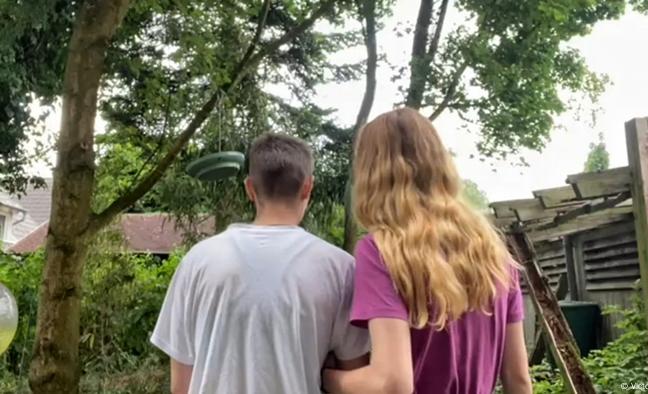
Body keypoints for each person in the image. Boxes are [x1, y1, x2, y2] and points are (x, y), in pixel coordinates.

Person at [322, 108, 532, 394]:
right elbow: (518, 379)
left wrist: (327, 378)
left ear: (371, 174)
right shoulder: (493, 254)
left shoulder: (382, 252)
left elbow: (392, 383)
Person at [151, 133, 369, 394]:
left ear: (250, 189)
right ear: (308, 187)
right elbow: (356, 377)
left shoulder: (197, 261)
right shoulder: (340, 268)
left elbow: (181, 385)